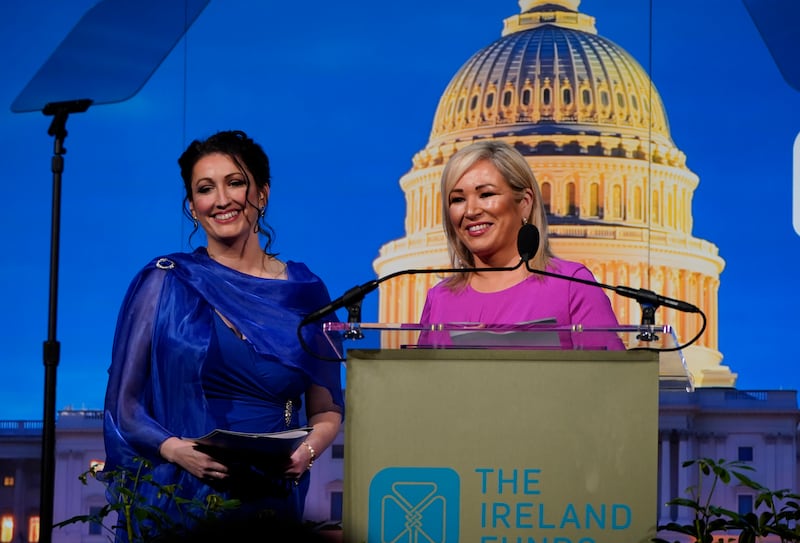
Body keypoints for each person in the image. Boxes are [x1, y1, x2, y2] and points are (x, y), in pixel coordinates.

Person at [102, 130, 343, 540]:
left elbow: (327, 410)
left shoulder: (306, 293)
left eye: (235, 182)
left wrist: (306, 453)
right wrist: (176, 450)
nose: (221, 199)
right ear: (193, 207)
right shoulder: (163, 282)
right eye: (205, 189)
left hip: (270, 494)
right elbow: (123, 407)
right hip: (181, 494)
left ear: (262, 194)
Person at [419, 140, 621, 347]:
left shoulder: (571, 285)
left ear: (524, 203)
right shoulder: (440, 299)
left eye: (486, 195)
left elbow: (611, 376)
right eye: (458, 199)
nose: (471, 211)